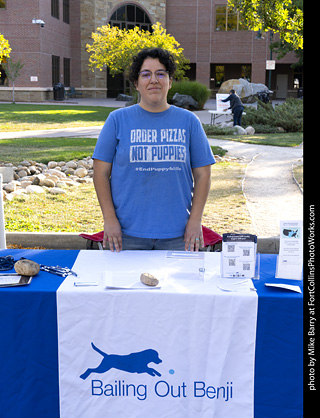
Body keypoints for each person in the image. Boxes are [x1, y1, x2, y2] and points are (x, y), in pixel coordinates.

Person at [93, 48, 215, 252]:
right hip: (125, 234)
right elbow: (100, 173)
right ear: (136, 83)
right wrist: (109, 219)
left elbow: (203, 175)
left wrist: (195, 221)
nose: (154, 80)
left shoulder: (189, 122)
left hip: (179, 234)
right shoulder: (117, 120)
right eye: (146, 74)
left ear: (170, 81)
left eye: (161, 74)